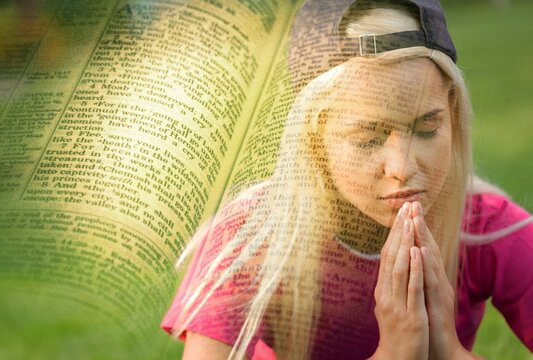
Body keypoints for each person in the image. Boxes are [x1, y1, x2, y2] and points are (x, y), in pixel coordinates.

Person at [161, 0, 533, 359]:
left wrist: (448, 352)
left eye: (427, 127)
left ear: (452, 112)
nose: (402, 167)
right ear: (314, 137)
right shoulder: (251, 235)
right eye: (367, 137)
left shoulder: (485, 228)